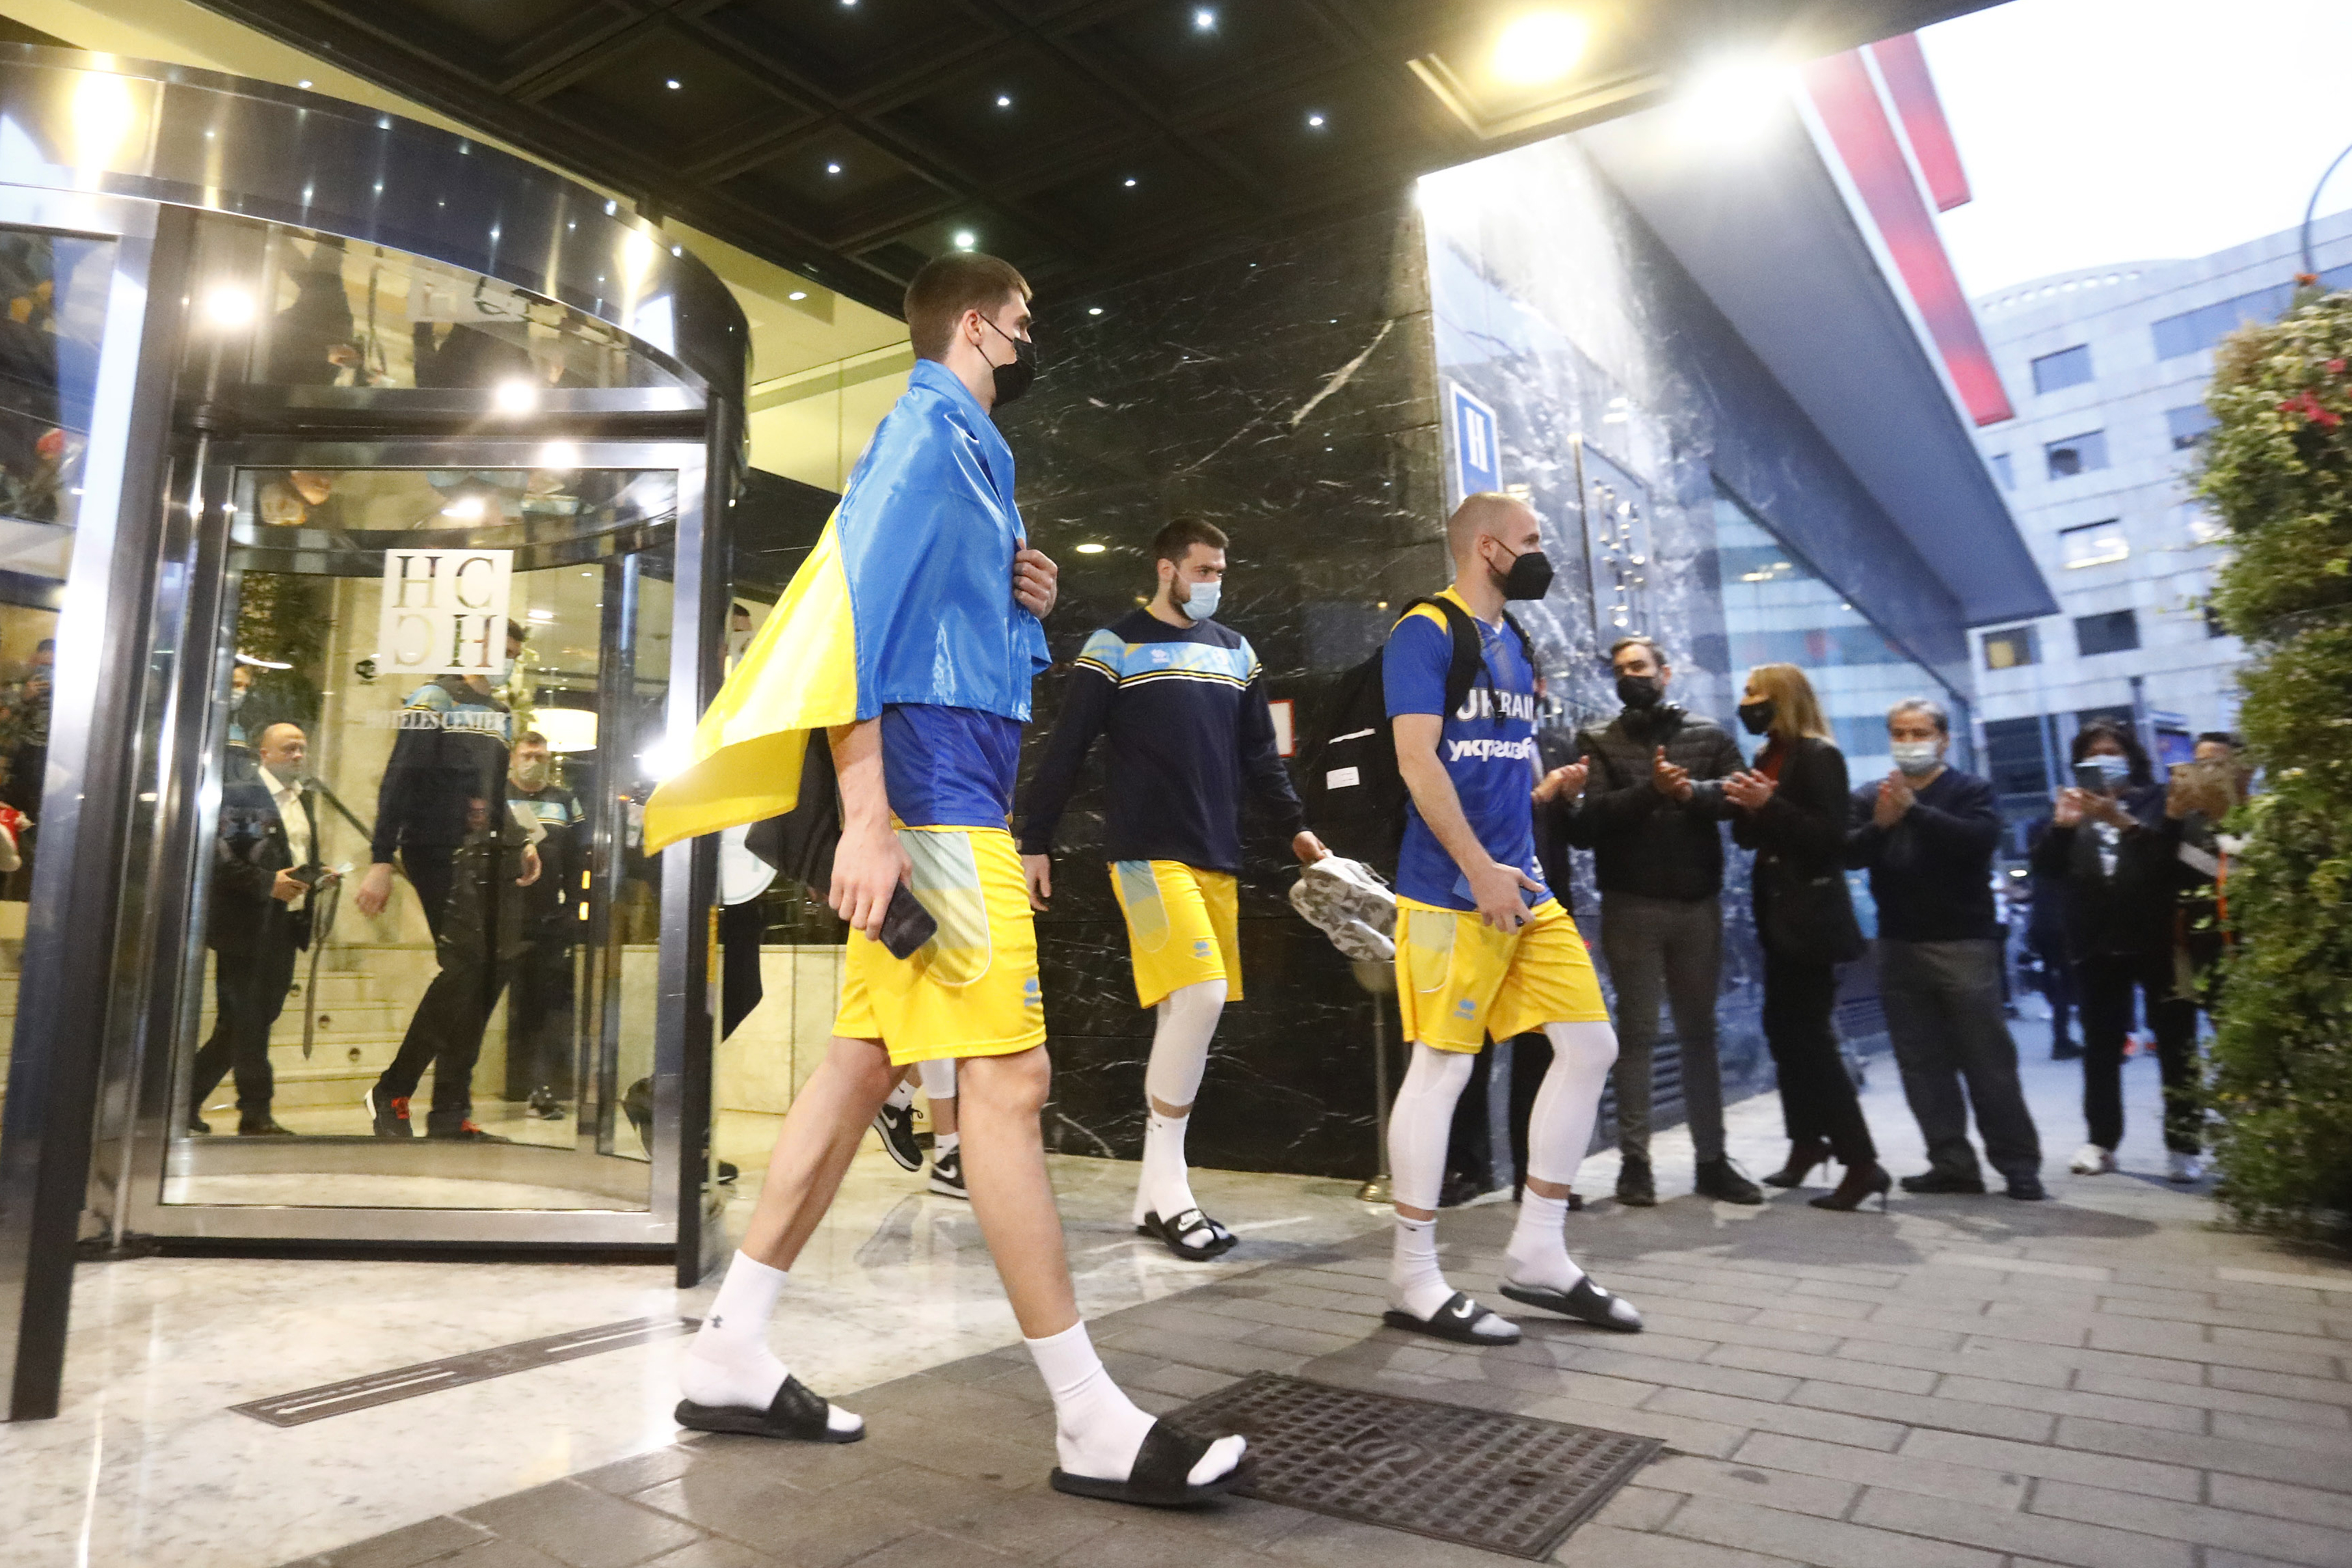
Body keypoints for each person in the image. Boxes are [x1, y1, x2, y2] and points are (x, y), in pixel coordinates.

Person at [639, 252, 1248, 1506]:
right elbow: (842, 621)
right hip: (932, 808)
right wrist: (866, 815)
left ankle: (733, 1348)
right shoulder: (924, 429)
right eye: (1024, 323)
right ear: (977, 325)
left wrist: (1024, 601)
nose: (1032, 344)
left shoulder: (976, 453)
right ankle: (1089, 1417)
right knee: (1009, 1082)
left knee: (860, 1062)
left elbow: (952, 639)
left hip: (947, 789)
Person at [1017, 517, 1330, 1260]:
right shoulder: (1114, 645)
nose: (1215, 581)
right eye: (1203, 568)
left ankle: (1156, 1190)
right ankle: (1170, 1187)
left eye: (1221, 568)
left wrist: (1296, 830)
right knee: (1199, 995)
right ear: (1166, 569)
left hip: (1215, 854)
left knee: (1185, 1010)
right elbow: (1066, 747)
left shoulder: (1237, 652)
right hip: (1144, 852)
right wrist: (1035, 838)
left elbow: (1260, 753)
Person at [1379, 490, 1640, 1346]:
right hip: (1451, 890)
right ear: (1485, 546)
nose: (1542, 551)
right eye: (1530, 539)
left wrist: (1535, 807)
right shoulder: (1425, 631)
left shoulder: (1513, 642)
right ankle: (1412, 1275)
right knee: (1441, 1070)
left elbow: (1492, 761)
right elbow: (1416, 763)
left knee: (1589, 1043)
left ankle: (1537, 1251)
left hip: (1520, 885)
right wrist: (1475, 866)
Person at [1558, 634, 1757, 1206]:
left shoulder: (1710, 734)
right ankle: (1635, 1164)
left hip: (1698, 904)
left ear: (1665, 673)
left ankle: (1712, 1161)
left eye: (1640, 667)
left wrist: (1689, 791)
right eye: (1622, 669)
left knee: (1700, 1035)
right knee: (1638, 1035)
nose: (1632, 676)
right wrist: (1652, 791)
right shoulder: (1597, 738)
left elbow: (1737, 794)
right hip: (1632, 905)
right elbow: (1587, 821)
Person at [1845, 699, 2045, 1200]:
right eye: (1900, 732)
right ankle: (1951, 1162)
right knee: (1921, 1064)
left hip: (1963, 942)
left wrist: (1917, 813)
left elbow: (1978, 843)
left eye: (1919, 732)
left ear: (1943, 739)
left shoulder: (1970, 790)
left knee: (1987, 1061)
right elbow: (1847, 852)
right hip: (1897, 943)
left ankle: (2018, 1165)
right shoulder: (1873, 795)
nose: (1909, 742)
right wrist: (1882, 824)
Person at [355, 620, 543, 1139]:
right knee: (463, 967)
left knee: (489, 971)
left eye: (512, 653)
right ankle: (392, 1089)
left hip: (488, 853)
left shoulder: (501, 714)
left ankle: (450, 1111)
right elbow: (400, 777)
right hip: (435, 849)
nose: (504, 661)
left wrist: (522, 839)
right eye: (499, 651)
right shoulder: (433, 698)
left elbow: (495, 791)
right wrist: (380, 858)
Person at [1726, 664, 1888, 1211]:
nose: (1746, 701)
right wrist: (1748, 807)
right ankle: (1807, 1142)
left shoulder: (1819, 756)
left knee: (1810, 1037)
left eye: (1755, 693)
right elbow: (1750, 837)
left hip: (1811, 920)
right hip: (1779, 916)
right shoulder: (1770, 754)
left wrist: (1768, 805)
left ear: (1783, 699)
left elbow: (1829, 839)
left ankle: (1861, 1162)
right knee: (1785, 1031)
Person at [2032, 720, 2203, 1180]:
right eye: (2092, 754)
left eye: (2112, 750)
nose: (2103, 760)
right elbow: (2046, 869)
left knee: (2176, 1043)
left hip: (2161, 940)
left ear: (2130, 756)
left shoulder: (2158, 798)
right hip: (2095, 943)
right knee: (2101, 1046)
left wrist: (2119, 819)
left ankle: (2184, 1145)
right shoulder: (2070, 806)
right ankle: (2101, 1141)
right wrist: (2064, 828)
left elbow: (2169, 859)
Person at [187, 722, 332, 1137]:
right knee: (248, 1020)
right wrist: (269, 883)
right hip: (247, 926)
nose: (299, 756)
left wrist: (317, 875)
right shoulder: (247, 798)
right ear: (263, 754)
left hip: (283, 925)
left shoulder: (301, 801)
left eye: (303, 748)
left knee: (248, 1020)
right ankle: (256, 1112)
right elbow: (227, 861)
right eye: (289, 748)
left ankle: (181, 1101)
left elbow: (288, 856)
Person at [505, 731, 587, 1118]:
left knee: (546, 1007)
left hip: (550, 921)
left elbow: (578, 858)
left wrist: (574, 907)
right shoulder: (497, 794)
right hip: (503, 918)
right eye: (527, 754)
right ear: (513, 757)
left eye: (541, 755)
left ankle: (542, 1089)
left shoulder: (564, 799)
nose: (533, 761)